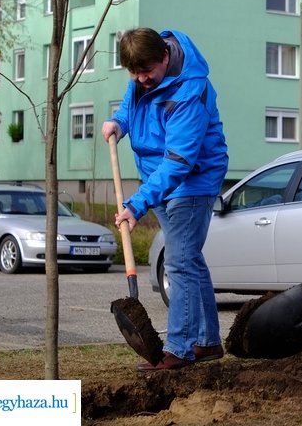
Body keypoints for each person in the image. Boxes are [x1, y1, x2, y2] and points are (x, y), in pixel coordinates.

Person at [102, 28, 229, 371]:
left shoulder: (190, 91)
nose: (141, 80)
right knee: (189, 259)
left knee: (179, 262)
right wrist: (118, 123)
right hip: (156, 178)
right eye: (134, 74)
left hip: (192, 180)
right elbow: (131, 106)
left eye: (147, 72)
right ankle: (207, 341)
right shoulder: (141, 72)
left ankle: (180, 348)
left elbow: (179, 161)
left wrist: (136, 204)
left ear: (165, 57)